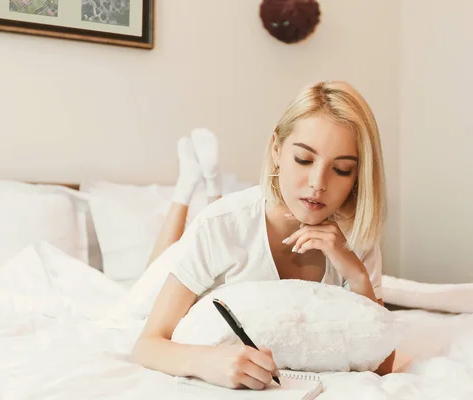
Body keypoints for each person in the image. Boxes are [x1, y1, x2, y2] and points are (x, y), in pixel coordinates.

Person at [132, 80, 395, 390]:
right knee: (156, 268)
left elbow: (383, 365)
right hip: (177, 268)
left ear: (357, 177)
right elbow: (147, 345)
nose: (318, 183)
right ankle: (190, 186)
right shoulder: (222, 224)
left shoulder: (356, 238)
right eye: (304, 160)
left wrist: (357, 274)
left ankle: (207, 184)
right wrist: (208, 361)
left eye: (341, 170)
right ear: (276, 150)